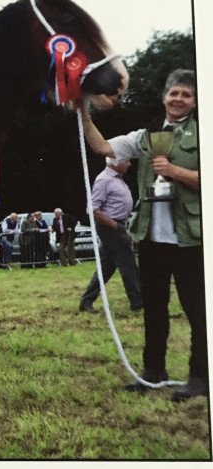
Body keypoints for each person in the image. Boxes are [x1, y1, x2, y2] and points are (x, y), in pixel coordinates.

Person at [80, 69, 205, 401]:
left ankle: (200, 376)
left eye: (186, 95)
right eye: (174, 93)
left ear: (195, 100)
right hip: (151, 237)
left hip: (191, 238)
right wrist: (83, 113)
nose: (179, 99)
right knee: (154, 306)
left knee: (197, 308)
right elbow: (103, 147)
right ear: (164, 96)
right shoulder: (145, 135)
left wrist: (175, 171)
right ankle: (154, 371)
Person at [79, 158, 142, 314]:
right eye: (126, 161)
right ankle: (138, 303)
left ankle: (86, 301)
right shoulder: (104, 179)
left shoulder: (116, 179)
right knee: (128, 264)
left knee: (106, 267)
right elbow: (92, 208)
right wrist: (114, 225)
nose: (129, 164)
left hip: (115, 226)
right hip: (111, 227)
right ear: (116, 162)